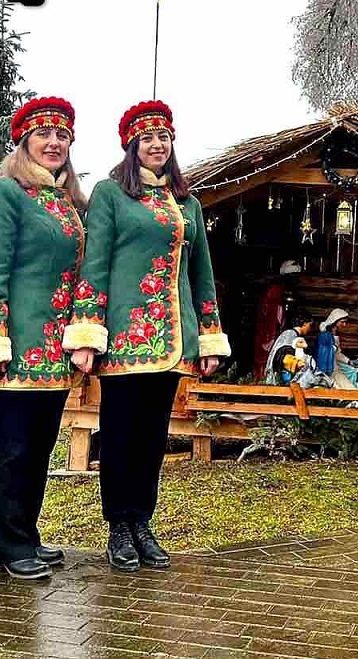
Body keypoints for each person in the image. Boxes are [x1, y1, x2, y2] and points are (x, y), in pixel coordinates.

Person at [70, 100, 229, 573]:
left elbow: (201, 273)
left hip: (172, 337)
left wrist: (209, 334)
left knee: (153, 436)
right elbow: (94, 264)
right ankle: (118, 526)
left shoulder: (187, 203)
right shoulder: (111, 195)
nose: (157, 145)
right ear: (132, 145)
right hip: (124, 338)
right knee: (120, 434)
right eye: (147, 138)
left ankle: (142, 523)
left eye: (164, 138)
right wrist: (87, 332)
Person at [0, 97, 87, 580]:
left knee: (39, 445)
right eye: (44, 134)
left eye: (62, 136)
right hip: (17, 339)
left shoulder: (66, 200)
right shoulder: (7, 193)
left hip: (55, 344)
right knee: (13, 446)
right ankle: (7, 542)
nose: (54, 143)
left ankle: (26, 534)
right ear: (24, 142)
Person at [253, 260, 302, 379]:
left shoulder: (285, 290)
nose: (296, 280)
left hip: (278, 330)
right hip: (269, 331)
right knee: (266, 358)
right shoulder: (274, 290)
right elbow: (270, 312)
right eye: (293, 276)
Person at [317, 309, 358, 389]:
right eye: (342, 322)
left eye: (345, 322)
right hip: (329, 370)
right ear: (335, 320)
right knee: (347, 389)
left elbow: (337, 353)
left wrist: (348, 361)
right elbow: (324, 353)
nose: (344, 324)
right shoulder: (325, 335)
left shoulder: (335, 335)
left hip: (336, 368)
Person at [265, 314, 313, 385]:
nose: (309, 329)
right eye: (309, 325)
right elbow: (283, 355)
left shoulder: (290, 333)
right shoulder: (291, 334)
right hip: (279, 374)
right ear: (304, 324)